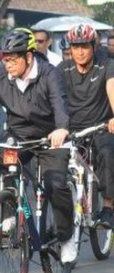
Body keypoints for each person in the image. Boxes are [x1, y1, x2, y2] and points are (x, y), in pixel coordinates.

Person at [0, 28, 76, 262]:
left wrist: (62, 128)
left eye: (12, 59)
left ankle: (66, 237)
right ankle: (9, 211)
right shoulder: (0, 77)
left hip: (51, 136)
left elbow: (60, 103)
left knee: (56, 184)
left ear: (28, 57)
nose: (7, 64)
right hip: (18, 135)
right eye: (5, 58)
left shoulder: (50, 74)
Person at [58, 24, 114, 228]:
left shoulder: (106, 65)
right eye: (75, 47)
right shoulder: (63, 69)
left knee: (108, 153)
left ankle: (108, 208)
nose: (80, 52)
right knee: (55, 164)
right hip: (71, 129)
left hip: (100, 126)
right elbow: (53, 98)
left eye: (85, 46)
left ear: (94, 46)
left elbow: (112, 88)